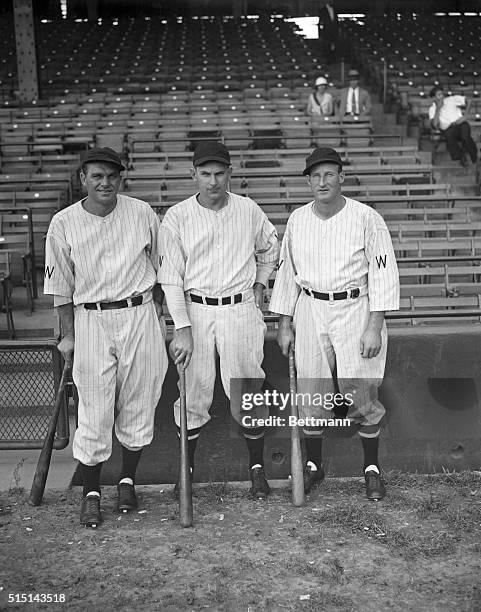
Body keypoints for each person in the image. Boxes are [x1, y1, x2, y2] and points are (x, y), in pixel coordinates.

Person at [44, 147, 168, 527]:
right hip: (91, 318)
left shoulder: (141, 212)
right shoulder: (63, 222)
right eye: (97, 175)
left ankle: (128, 480)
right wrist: (67, 335)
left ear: (121, 178)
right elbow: (61, 286)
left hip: (139, 312)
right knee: (94, 409)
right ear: (83, 178)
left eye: (112, 175)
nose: (105, 182)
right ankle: (92, 491)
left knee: (140, 402)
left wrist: (164, 316)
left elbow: (163, 269)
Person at [269, 147, 399, 500]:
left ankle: (371, 469)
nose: (322, 181)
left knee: (362, 392)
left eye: (329, 173)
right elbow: (287, 274)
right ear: (308, 181)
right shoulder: (297, 219)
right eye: (315, 175)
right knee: (312, 395)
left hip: (355, 307)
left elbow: (383, 273)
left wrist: (375, 324)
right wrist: (284, 321)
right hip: (311, 308)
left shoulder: (367, 217)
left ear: (341, 176)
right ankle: (314, 465)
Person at [159, 141, 279, 499]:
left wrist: (261, 280)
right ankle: (187, 471)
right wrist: (181, 328)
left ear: (230, 173)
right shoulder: (177, 216)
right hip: (195, 309)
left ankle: (256, 470)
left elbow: (270, 246)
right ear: (193, 174)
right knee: (193, 390)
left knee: (246, 389)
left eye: (220, 173)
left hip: (239, 307)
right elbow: (169, 277)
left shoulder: (247, 208)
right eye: (206, 174)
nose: (213, 181)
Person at [428, 85, 478, 167]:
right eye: (439, 95)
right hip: (449, 129)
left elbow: (469, 100)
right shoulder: (432, 109)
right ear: (434, 98)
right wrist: (438, 109)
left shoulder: (451, 99)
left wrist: (465, 116)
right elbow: (434, 124)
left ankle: (475, 156)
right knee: (448, 135)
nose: (442, 96)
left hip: (461, 124)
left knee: (465, 137)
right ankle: (461, 157)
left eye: (442, 94)